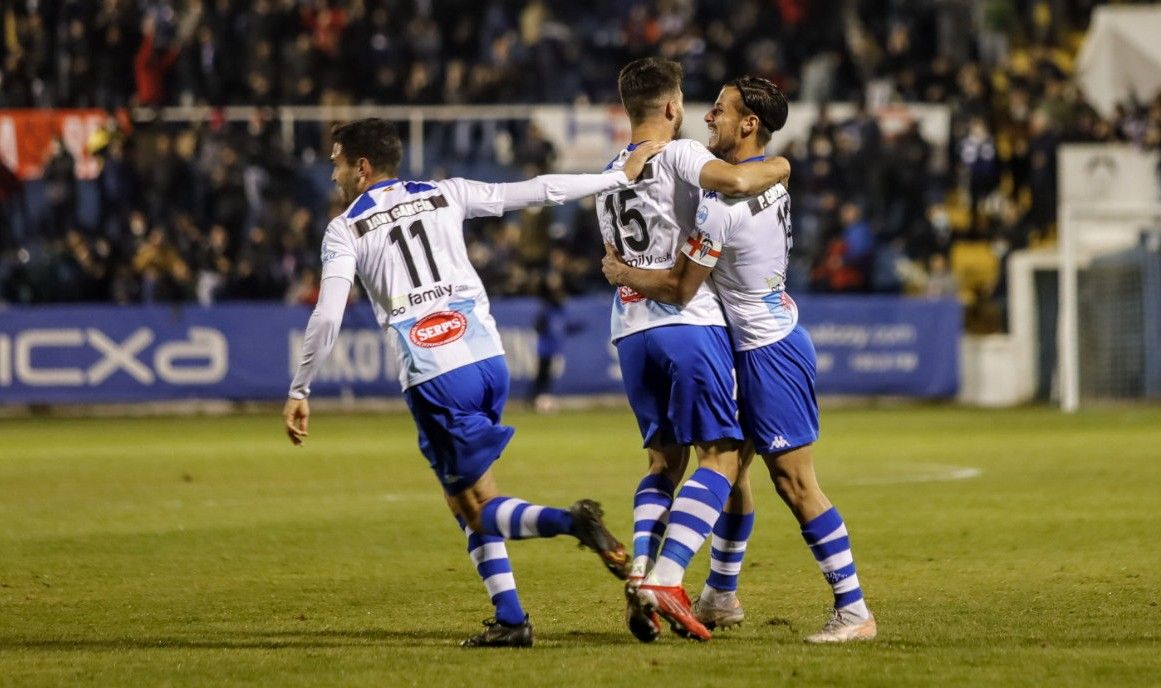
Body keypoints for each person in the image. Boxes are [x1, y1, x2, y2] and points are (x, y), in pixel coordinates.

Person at [283, 118, 664, 648]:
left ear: (362, 168)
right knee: (460, 496)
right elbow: (539, 190)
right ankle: (509, 618)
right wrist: (615, 177)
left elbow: (327, 317)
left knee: (480, 507)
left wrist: (300, 389)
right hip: (488, 358)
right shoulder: (445, 192)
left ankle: (573, 523)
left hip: (436, 374)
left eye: (338, 161)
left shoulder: (345, 227)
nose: (334, 172)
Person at [602, 76, 877, 644]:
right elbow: (762, 172)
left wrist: (625, 274)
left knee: (794, 482)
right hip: (749, 339)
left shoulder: (724, 205)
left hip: (769, 350)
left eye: (721, 111)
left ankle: (854, 610)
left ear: (749, 124)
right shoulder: (758, 176)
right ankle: (721, 595)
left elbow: (680, 288)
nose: (708, 118)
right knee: (729, 471)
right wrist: (780, 164)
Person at [597, 57, 789, 642]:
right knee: (724, 457)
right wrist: (782, 163)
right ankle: (668, 576)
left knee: (662, 463)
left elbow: (616, 262)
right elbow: (735, 181)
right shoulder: (679, 153)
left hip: (630, 332)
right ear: (672, 108)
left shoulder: (609, 174)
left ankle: (640, 572)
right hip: (688, 326)